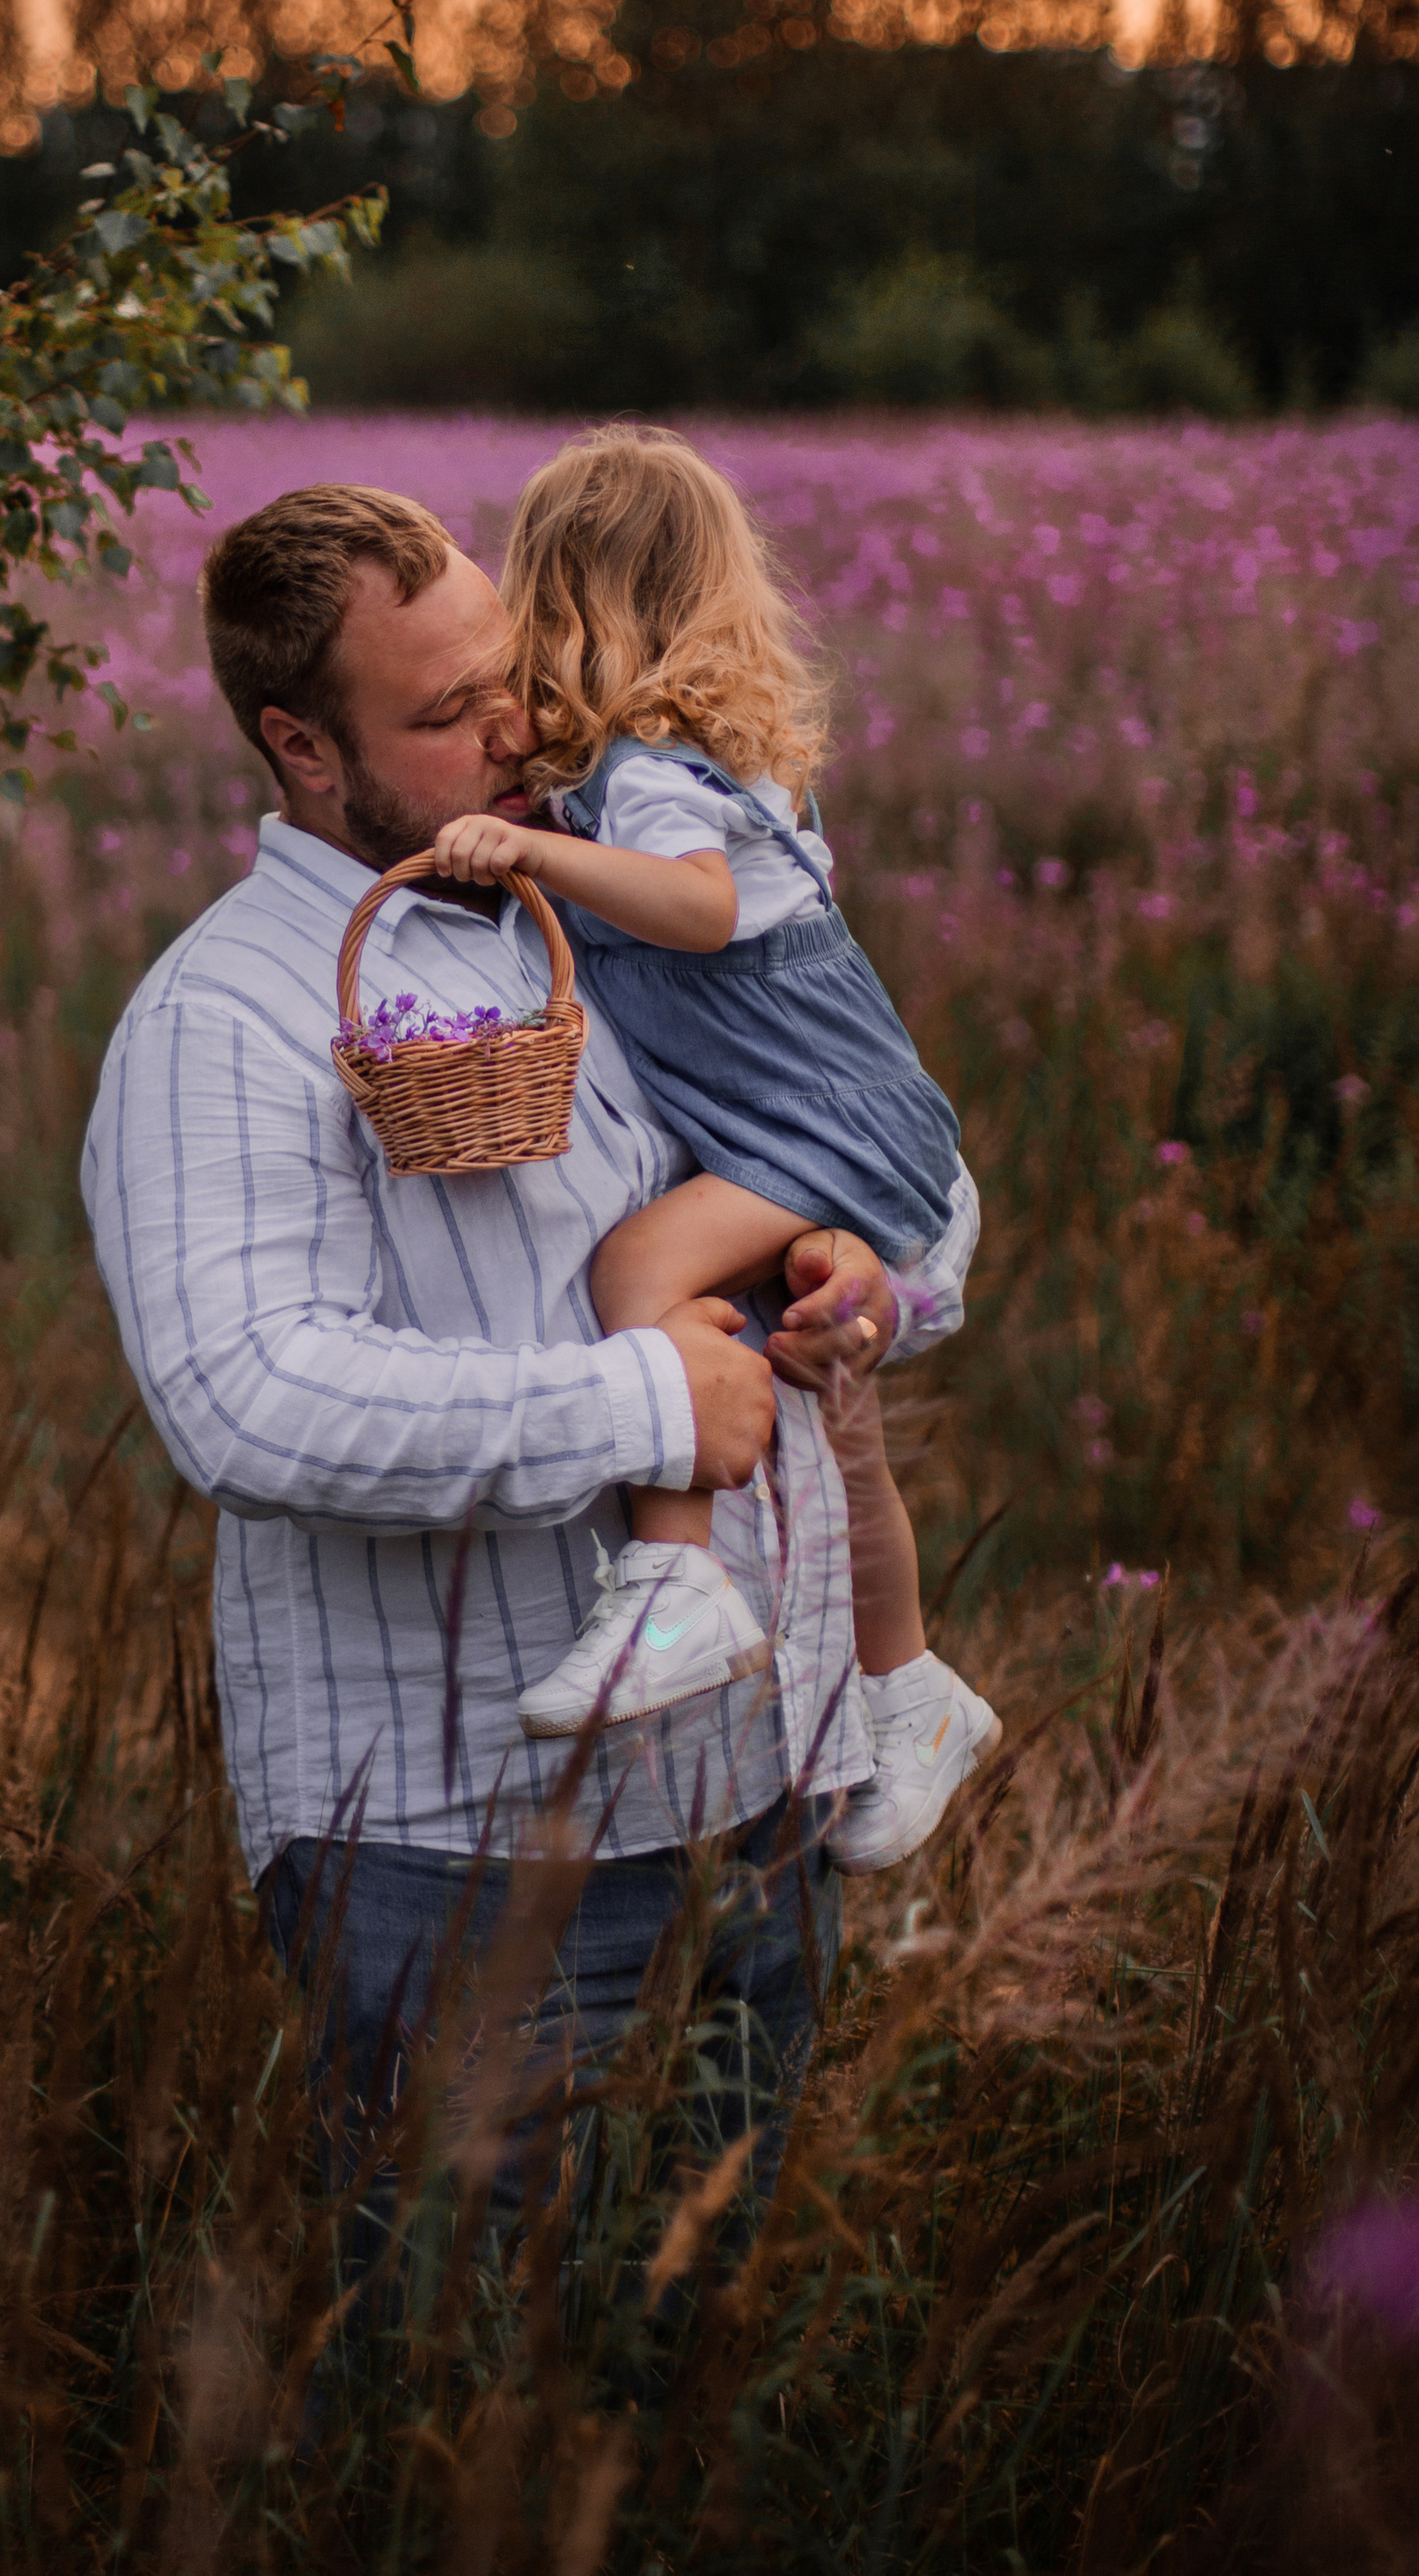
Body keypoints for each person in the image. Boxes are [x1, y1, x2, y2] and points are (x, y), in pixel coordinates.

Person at [80, 482, 978, 2236]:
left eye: (508, 676)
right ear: (300, 748)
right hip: (456, 1844)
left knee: (691, 2370)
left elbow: (878, 1164)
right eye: (438, 715)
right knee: (464, 2396)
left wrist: (872, 1285)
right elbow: (242, 1394)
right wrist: (648, 1400)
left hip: (760, 1801)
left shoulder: (611, 915)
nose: (509, 729)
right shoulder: (230, 1013)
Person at [431, 428, 996, 1869]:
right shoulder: (662, 767)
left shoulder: (652, 777)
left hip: (826, 1128)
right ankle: (910, 1688)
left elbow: (693, 909)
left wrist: (537, 855)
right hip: (825, 1126)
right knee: (815, 1410)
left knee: (635, 1272)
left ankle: (677, 1583)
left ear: (572, 602)